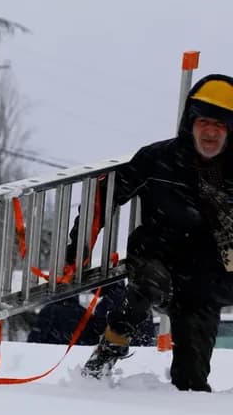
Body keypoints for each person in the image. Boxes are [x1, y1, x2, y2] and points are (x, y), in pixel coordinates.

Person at [68, 74, 233, 391]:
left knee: (191, 384)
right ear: (190, 121)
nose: (211, 131)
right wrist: (78, 250)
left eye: (222, 124)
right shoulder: (158, 160)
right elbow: (102, 198)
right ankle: (108, 350)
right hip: (156, 260)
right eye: (204, 122)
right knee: (148, 283)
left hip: (206, 284)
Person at [27, 281, 154, 346]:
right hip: (138, 349)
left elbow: (35, 338)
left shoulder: (50, 311)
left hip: (55, 356)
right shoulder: (84, 313)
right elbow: (95, 333)